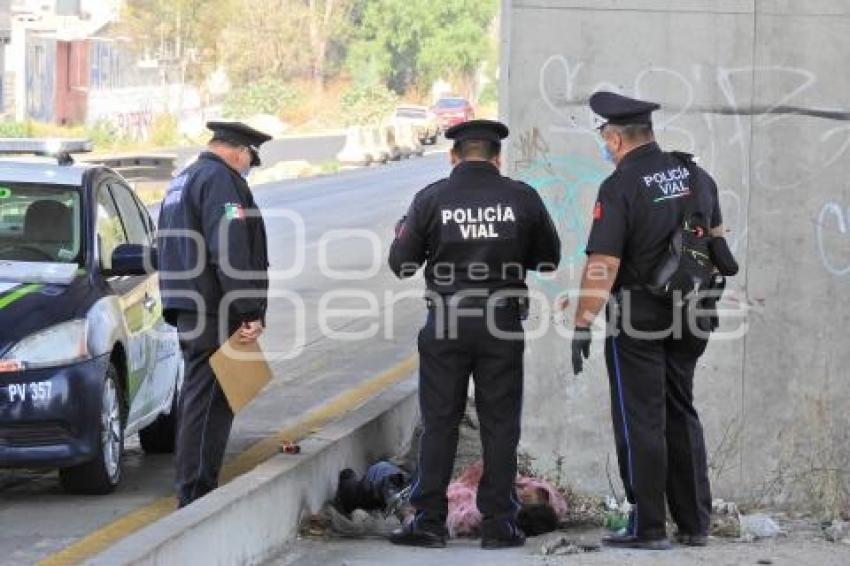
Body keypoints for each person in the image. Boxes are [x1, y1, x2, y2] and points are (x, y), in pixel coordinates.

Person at [387, 119, 561, 549]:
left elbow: (402, 264)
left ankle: (427, 521)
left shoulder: (431, 199)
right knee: (500, 425)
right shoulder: (521, 197)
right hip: (501, 321)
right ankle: (501, 523)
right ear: (497, 157)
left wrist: (404, 234)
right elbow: (549, 258)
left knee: (440, 422)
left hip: (447, 320)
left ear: (454, 155)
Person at [571, 91, 730, 549]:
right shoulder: (697, 175)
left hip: (639, 318)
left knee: (642, 418)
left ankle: (650, 526)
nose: (605, 147)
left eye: (605, 139)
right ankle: (696, 523)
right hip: (693, 314)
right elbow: (717, 244)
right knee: (681, 412)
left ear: (616, 138)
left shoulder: (620, 186)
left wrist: (584, 321)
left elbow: (604, 261)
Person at [157, 121, 272, 507]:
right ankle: (196, 497)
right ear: (241, 152)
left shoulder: (183, 180)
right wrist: (249, 309)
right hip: (214, 309)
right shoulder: (220, 180)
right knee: (209, 406)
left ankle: (194, 490)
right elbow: (231, 249)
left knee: (198, 402)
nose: (247, 170)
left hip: (190, 306)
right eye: (250, 163)